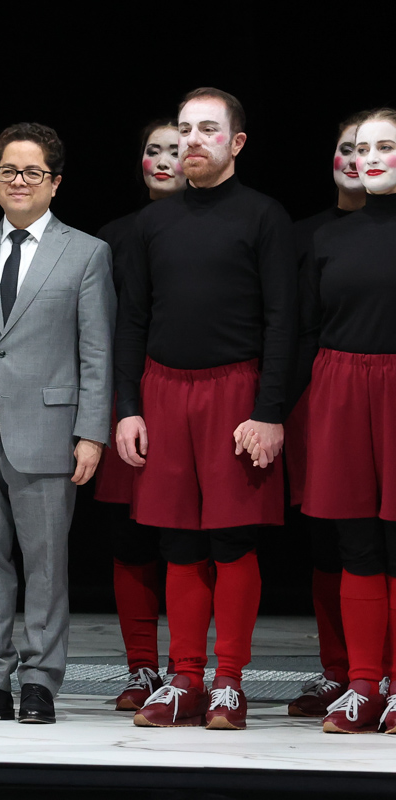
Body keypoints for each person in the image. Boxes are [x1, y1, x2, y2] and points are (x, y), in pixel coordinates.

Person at [116, 88, 297, 730]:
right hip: (165, 392)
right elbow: (133, 321)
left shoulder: (264, 217)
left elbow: (282, 320)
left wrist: (269, 411)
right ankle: (185, 679)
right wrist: (129, 407)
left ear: (236, 142)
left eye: (208, 130)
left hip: (235, 393)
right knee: (178, 540)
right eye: (185, 128)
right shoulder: (153, 224)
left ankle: (228, 682)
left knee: (231, 538)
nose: (192, 140)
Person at [0, 122, 115, 726]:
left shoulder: (85, 252)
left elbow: (96, 353)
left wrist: (92, 432)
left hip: (49, 431)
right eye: (9, 171)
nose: (18, 182)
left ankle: (39, 681)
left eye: (32, 172)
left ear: (55, 183)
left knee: (46, 564)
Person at [295, 109, 396, 734]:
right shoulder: (328, 238)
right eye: (361, 147)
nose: (369, 157)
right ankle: (362, 684)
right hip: (341, 388)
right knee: (355, 541)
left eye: (385, 145)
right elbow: (306, 330)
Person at [93, 119, 187, 711]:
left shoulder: (208, 228)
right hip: (124, 396)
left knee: (183, 536)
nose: (164, 160)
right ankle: (141, 668)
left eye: (176, 150)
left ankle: (185, 668)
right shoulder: (114, 237)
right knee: (129, 538)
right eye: (154, 150)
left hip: (186, 390)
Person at [284, 112, 369, 719]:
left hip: (376, 395)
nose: (356, 159)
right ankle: (337, 671)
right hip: (318, 400)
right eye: (347, 148)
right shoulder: (306, 236)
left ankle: (378, 674)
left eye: (371, 148)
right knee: (327, 540)